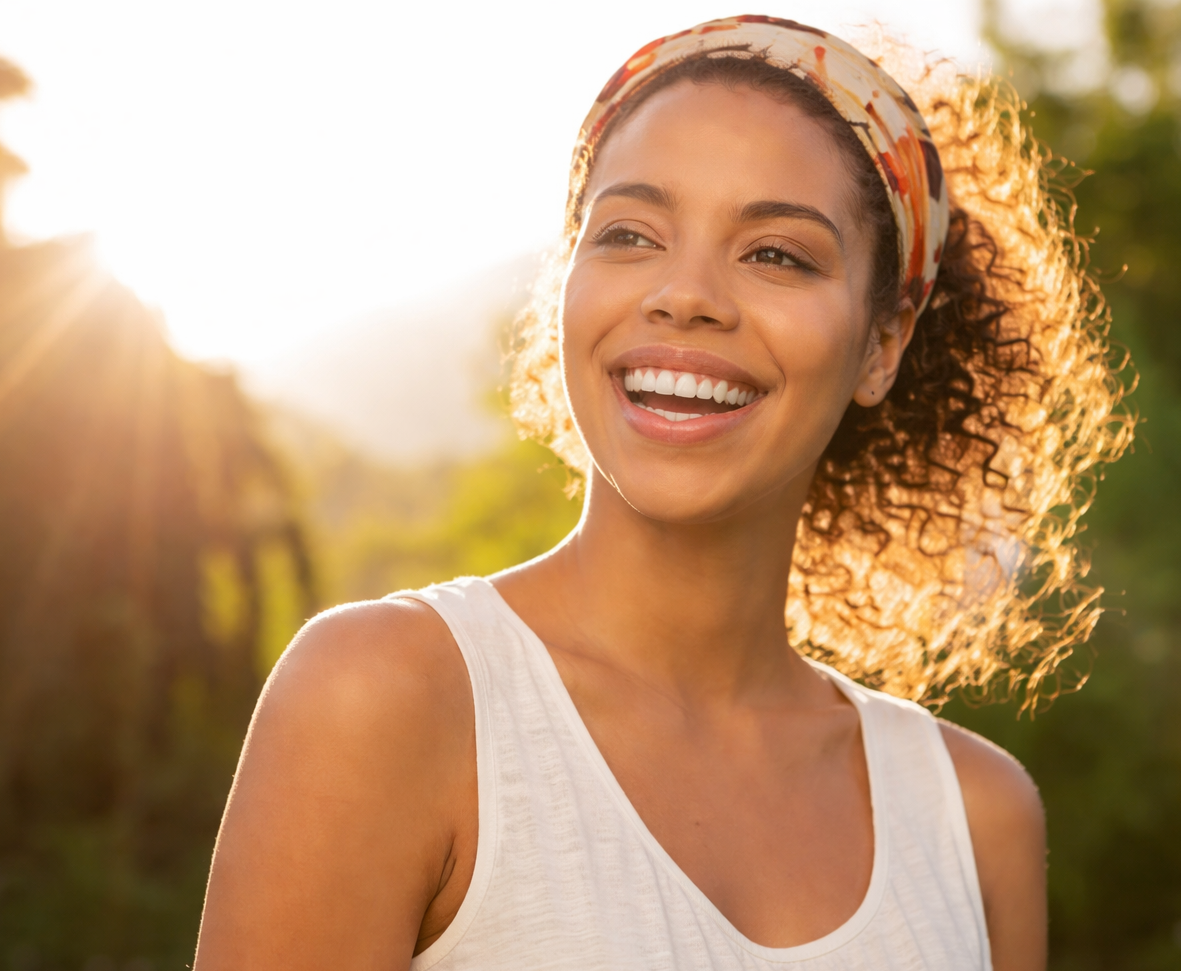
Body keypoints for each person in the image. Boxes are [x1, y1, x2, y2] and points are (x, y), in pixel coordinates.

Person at [193, 16, 1128, 971]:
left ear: (881, 344)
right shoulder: (386, 697)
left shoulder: (975, 818)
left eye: (776, 253)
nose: (685, 295)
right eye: (630, 235)